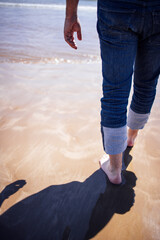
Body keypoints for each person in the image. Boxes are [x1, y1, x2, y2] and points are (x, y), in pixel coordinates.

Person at [64, 0, 160, 184]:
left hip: (117, 7)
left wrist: (71, 16)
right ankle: (130, 137)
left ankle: (115, 169)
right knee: (147, 84)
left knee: (115, 92)